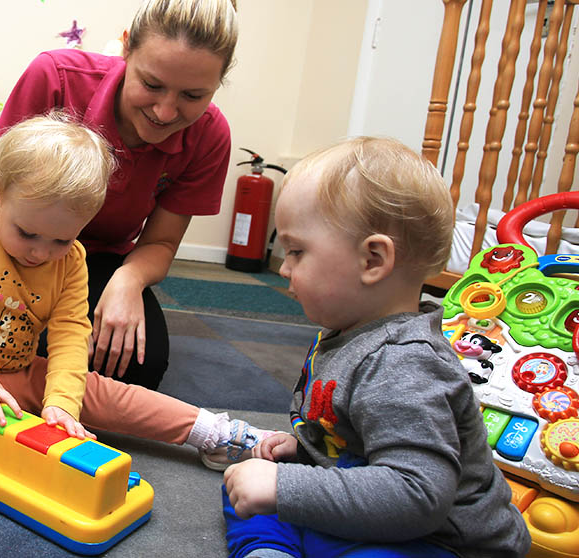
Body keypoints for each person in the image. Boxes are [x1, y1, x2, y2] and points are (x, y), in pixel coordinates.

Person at [0, 113, 269, 554]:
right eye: (27, 233)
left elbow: (68, 335)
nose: (42, 253)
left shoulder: (73, 260)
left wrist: (62, 405)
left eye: (61, 240)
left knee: (105, 390)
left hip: (22, 375)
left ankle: (216, 434)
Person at [221, 137, 531, 558]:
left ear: (372, 260)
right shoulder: (351, 330)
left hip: (438, 540)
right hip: (372, 503)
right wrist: (309, 447)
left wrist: (288, 486)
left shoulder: (407, 363)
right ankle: (270, 548)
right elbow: (355, 429)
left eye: (296, 251)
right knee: (247, 483)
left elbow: (416, 495)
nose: (283, 268)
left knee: (278, 491)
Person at [0, 0, 238, 389]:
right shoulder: (56, 76)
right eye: (151, 84)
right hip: (14, 247)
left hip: (100, 259)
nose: (166, 112)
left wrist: (128, 281)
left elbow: (161, 241)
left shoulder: (209, 135)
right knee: (3, 344)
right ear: (125, 48)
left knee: (136, 366)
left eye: (192, 96)